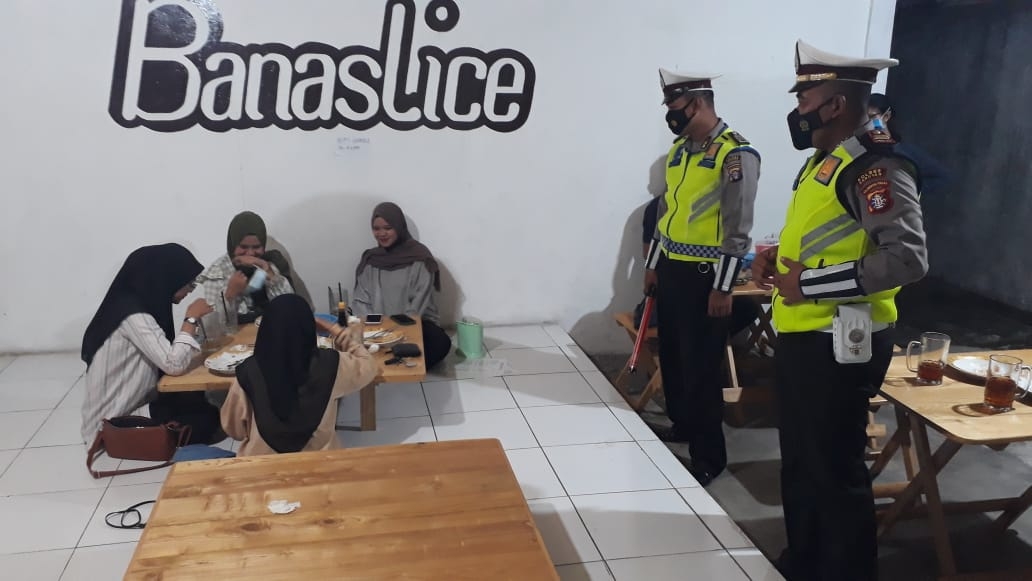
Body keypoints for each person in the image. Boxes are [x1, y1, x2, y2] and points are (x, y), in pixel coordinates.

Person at [752, 40, 928, 580]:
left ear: (835, 104)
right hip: (806, 337)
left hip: (842, 344)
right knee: (803, 463)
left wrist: (807, 283)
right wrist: (777, 255)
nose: (797, 109)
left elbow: (907, 259)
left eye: (805, 98)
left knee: (834, 471)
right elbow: (831, 237)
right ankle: (805, 562)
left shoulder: (877, 167)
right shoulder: (826, 162)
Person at [642, 69, 760, 486]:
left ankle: (709, 456)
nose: (670, 114)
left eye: (674, 106)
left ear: (697, 103)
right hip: (672, 271)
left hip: (706, 278)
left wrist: (724, 286)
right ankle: (682, 425)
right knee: (673, 357)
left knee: (702, 369)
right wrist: (653, 265)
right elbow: (666, 215)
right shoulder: (680, 151)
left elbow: (738, 228)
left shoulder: (735, 154)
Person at [80, 243, 216, 444]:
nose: (190, 290)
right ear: (167, 279)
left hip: (135, 403)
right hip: (112, 423)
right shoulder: (133, 316)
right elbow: (173, 364)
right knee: (206, 421)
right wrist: (191, 319)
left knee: (201, 403)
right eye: (189, 284)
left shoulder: (139, 304)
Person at [221, 295, 378, 456]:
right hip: (322, 462)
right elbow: (369, 366)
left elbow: (234, 430)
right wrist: (336, 330)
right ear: (308, 329)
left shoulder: (247, 373)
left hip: (263, 465)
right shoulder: (332, 365)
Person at [353, 202, 452, 368]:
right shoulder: (371, 260)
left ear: (399, 227)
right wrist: (377, 332)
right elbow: (361, 301)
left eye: (388, 228)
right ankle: (396, 356)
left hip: (416, 324)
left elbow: (418, 304)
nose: (382, 234)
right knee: (347, 341)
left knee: (440, 342)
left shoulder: (420, 257)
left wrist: (398, 334)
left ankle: (390, 357)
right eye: (376, 229)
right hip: (378, 330)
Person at [196, 211, 294, 327]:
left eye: (256, 247)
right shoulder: (217, 274)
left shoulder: (266, 264)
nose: (250, 253)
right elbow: (213, 326)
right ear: (232, 245)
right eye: (243, 247)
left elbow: (291, 308)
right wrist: (230, 294)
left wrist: (269, 273)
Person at [868, 93, 951, 196]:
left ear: (886, 116)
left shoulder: (907, 153)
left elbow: (942, 176)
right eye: (864, 118)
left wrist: (908, 190)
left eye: (872, 116)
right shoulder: (858, 150)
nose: (867, 122)